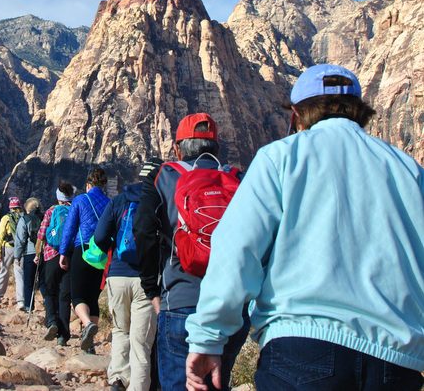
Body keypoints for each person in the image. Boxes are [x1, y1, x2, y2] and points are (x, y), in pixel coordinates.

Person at [185, 64, 424, 391]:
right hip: (396, 360)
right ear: (360, 112)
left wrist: (209, 336)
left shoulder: (280, 156)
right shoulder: (408, 169)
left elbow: (238, 249)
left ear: (296, 114)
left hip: (302, 348)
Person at [133, 113, 249, 391]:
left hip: (181, 301)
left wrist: (152, 289)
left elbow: (144, 231)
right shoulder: (238, 178)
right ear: (217, 147)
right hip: (231, 306)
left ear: (177, 148)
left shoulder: (165, 176)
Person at [94, 165, 159, 391]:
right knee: (141, 341)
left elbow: (100, 236)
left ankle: (118, 380)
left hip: (117, 275)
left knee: (121, 330)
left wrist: (113, 248)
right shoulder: (160, 201)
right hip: (147, 279)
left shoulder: (119, 200)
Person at [59, 167, 110, 353]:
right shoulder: (109, 202)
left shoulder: (80, 200)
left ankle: (87, 324)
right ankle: (90, 345)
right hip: (101, 254)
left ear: (88, 184)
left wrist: (63, 252)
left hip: (82, 250)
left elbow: (70, 228)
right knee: (93, 297)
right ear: (104, 184)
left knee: (78, 296)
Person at [36, 181, 75, 346]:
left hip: (51, 256)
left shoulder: (51, 211)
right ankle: (63, 336)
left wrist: (38, 254)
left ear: (58, 196)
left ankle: (52, 321)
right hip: (70, 257)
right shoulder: (75, 209)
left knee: (50, 291)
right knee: (65, 296)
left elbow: (42, 233)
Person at [0, 196, 23, 307]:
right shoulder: (23, 217)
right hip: (21, 249)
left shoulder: (6, 218)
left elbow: (0, 236)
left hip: (8, 248)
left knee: (4, 272)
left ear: (10, 207)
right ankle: (21, 301)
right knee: (19, 274)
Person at [14, 196, 43, 312]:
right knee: (43, 281)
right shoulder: (45, 217)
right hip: (44, 253)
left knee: (28, 281)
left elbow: (20, 240)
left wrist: (17, 255)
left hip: (29, 253)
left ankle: (28, 306)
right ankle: (49, 304)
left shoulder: (24, 219)